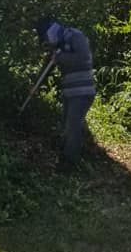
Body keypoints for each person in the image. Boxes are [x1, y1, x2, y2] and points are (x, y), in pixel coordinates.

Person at [35, 17, 96, 168]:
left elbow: (84, 57)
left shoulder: (75, 35)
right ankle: (66, 153)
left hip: (82, 91)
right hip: (70, 92)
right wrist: (35, 86)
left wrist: (61, 58)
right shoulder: (57, 46)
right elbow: (47, 67)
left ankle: (70, 163)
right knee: (66, 124)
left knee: (72, 124)